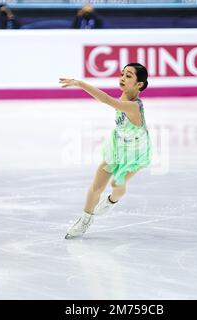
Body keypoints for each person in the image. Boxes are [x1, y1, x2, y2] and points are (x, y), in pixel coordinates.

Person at [59, 63, 152, 239]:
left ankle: (112, 201)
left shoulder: (133, 106)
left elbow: (107, 100)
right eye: (122, 74)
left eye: (129, 76)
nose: (123, 78)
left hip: (135, 152)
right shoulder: (126, 94)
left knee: (116, 185)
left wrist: (80, 83)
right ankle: (85, 219)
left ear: (139, 84)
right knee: (97, 186)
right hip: (117, 146)